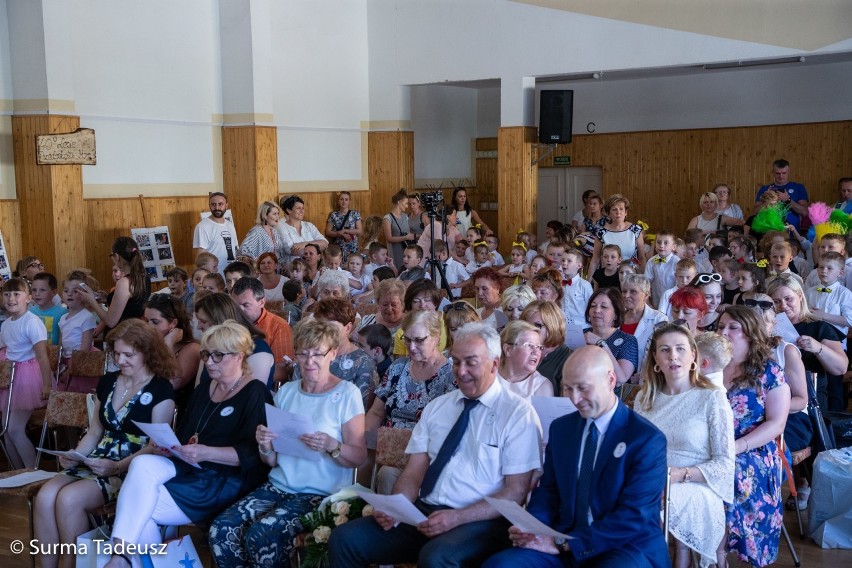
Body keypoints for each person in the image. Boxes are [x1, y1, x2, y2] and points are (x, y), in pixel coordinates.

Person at [329, 322, 541, 567]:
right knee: (345, 539)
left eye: (471, 362)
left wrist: (457, 518)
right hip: (425, 512)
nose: (461, 371)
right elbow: (413, 473)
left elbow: (516, 491)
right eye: (457, 362)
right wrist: (396, 507)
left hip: (482, 522)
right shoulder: (438, 407)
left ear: (494, 363)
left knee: (435, 557)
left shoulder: (517, 413)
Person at [101, 321, 272, 568]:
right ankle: (121, 558)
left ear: (239, 356)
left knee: (140, 511)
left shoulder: (255, 392)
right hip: (190, 466)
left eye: (218, 355)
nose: (209, 362)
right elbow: (185, 434)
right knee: (143, 463)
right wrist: (168, 446)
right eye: (206, 354)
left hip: (224, 479)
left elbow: (252, 454)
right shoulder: (204, 389)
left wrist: (206, 452)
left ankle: (121, 558)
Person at [483, 346, 669, 568]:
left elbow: (633, 517)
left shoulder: (645, 439)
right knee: (501, 565)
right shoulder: (562, 428)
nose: (575, 398)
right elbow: (549, 491)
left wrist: (564, 544)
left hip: (622, 547)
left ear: (611, 380)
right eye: (568, 389)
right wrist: (533, 528)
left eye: (583, 388)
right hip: (562, 538)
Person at [209, 319, 366, 567]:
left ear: (333, 354)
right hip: (279, 485)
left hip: (321, 493)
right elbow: (271, 461)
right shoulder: (287, 392)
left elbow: (359, 457)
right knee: (221, 528)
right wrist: (265, 444)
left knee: (262, 535)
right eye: (302, 354)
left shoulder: (347, 393)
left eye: (317, 354)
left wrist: (331, 445)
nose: (309, 361)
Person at [34, 320, 177, 568]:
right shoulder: (109, 381)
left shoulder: (161, 388)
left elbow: (156, 447)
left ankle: (71, 563)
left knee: (68, 499)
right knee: (45, 496)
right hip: (98, 458)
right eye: (117, 353)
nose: (120, 360)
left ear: (147, 352)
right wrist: (75, 454)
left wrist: (117, 467)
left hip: (132, 468)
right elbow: (95, 431)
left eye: (128, 355)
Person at [635, 323, 735, 568]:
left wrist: (679, 475)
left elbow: (724, 464)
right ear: (655, 358)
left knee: (647, 506)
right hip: (653, 481)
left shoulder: (712, 397)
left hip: (696, 483)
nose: (673, 356)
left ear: (693, 355)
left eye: (680, 349)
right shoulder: (644, 397)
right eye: (665, 350)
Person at [716, 307, 791, 568]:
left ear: (749, 333)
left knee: (731, 470)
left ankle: (719, 554)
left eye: (732, 327)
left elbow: (776, 423)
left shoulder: (768, 371)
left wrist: (738, 446)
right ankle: (700, 550)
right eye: (720, 326)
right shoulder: (709, 366)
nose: (724, 332)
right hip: (710, 444)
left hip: (753, 448)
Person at [365, 309, 455, 492]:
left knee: (388, 474)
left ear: (436, 337)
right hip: (389, 450)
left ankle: (393, 518)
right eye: (407, 339)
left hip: (426, 453)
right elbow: (376, 412)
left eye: (419, 340)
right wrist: (363, 441)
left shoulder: (451, 374)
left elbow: (448, 428)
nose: (411, 347)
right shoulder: (398, 368)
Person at [767, 275, 848, 412]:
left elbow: (841, 368)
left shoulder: (818, 327)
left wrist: (818, 348)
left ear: (800, 296)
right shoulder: (768, 328)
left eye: (788, 299)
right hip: (774, 393)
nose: (784, 306)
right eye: (777, 301)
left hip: (811, 397)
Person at [0, 278, 55, 469]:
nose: (11, 298)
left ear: (28, 298)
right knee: (6, 431)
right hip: (11, 377)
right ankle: (18, 472)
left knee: (15, 430)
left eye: (16, 294)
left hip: (28, 378)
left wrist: (47, 384)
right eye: (6, 294)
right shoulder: (6, 324)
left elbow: (42, 357)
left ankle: (33, 472)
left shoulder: (32, 322)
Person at [294, 298, 375, 408]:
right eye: (320, 326)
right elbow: (295, 394)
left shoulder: (363, 362)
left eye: (330, 327)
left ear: (348, 328)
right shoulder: (308, 355)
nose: (324, 332)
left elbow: (359, 407)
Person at [194, 292, 275, 388]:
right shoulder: (209, 347)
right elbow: (198, 390)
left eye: (203, 321)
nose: (199, 327)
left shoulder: (258, 350)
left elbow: (252, 395)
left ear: (219, 320)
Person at [143, 295, 201, 413]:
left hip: (176, 411)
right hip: (148, 404)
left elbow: (173, 383)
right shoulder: (150, 345)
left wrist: (168, 343)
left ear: (173, 323)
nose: (148, 327)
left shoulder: (192, 349)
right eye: (146, 321)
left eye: (155, 322)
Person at [79, 236, 150, 331]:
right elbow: (130, 305)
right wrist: (107, 298)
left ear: (116, 256)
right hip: (136, 330)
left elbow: (110, 321)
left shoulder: (124, 282)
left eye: (111, 256)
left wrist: (92, 301)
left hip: (124, 332)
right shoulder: (144, 276)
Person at [230, 277, 295, 380]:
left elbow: (281, 371)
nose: (239, 310)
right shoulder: (228, 323)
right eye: (235, 305)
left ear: (262, 302)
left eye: (245, 305)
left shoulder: (279, 327)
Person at [584, 288, 638, 385]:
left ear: (616, 315)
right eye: (593, 306)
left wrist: (601, 343)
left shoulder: (628, 341)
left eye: (604, 307)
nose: (597, 310)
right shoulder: (580, 335)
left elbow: (621, 379)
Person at [620, 274, 667, 373]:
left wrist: (643, 374)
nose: (626, 295)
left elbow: (663, 353)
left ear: (646, 295)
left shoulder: (659, 319)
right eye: (624, 291)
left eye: (633, 291)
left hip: (646, 377)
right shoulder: (616, 317)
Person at [521, 300, 571, 392]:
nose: (530, 330)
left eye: (537, 325)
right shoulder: (522, 350)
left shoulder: (569, 360)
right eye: (526, 325)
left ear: (552, 326)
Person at [590, 194, 648, 273]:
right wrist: (588, 283)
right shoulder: (601, 233)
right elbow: (595, 259)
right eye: (614, 209)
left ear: (626, 212)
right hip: (608, 275)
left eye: (621, 209)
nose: (618, 212)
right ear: (608, 213)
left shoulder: (636, 230)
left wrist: (645, 278)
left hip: (630, 275)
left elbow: (642, 257)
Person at [498, 320, 553, 399]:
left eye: (539, 347)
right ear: (508, 350)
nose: (536, 352)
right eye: (529, 345)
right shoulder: (488, 374)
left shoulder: (541, 386)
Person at [754, 159, 809, 230]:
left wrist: (788, 200)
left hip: (792, 233)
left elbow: (804, 212)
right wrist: (767, 201)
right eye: (778, 173)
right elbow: (755, 212)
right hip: (769, 231)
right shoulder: (765, 189)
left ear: (788, 172)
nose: (781, 176)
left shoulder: (798, 187)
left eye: (784, 173)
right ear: (773, 172)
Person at [193, 192, 240, 273]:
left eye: (220, 204)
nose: (217, 207)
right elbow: (201, 259)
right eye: (213, 204)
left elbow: (236, 249)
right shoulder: (202, 226)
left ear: (226, 205)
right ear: (209, 206)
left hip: (231, 273)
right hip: (214, 276)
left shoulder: (230, 225)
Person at [278, 195, 329, 268]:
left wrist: (304, 244)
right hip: (294, 270)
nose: (302, 211)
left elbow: (325, 243)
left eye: (303, 208)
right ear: (289, 210)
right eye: (298, 208)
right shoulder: (282, 227)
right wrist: (316, 248)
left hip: (314, 268)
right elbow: (292, 250)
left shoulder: (309, 225)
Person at [325, 191, 363, 261]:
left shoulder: (355, 214)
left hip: (353, 247)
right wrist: (341, 234)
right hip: (339, 247)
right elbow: (328, 232)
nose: (344, 201)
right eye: (341, 199)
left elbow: (359, 231)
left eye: (346, 199)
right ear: (338, 201)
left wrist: (344, 231)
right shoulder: (334, 215)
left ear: (349, 201)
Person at [382, 189, 414, 270]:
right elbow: (389, 238)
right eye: (406, 203)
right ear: (399, 202)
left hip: (406, 251)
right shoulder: (387, 218)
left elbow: (408, 234)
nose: (407, 206)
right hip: (394, 252)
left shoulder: (405, 216)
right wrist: (405, 237)